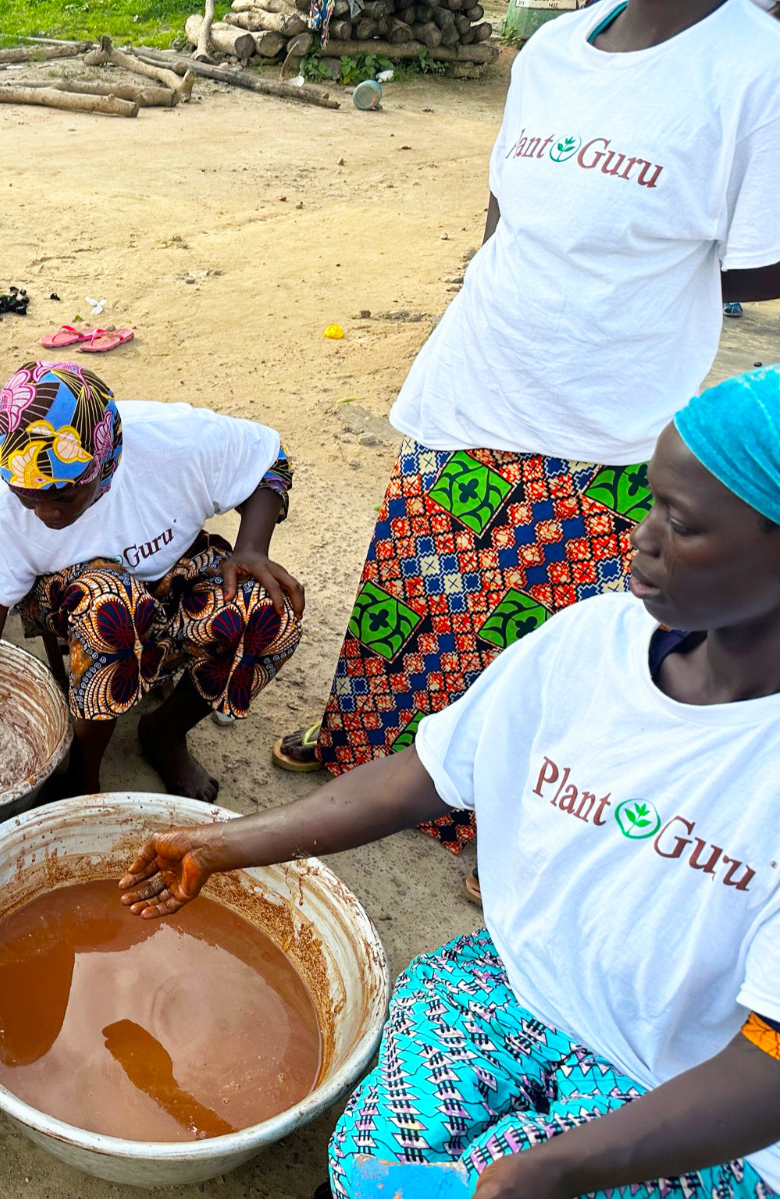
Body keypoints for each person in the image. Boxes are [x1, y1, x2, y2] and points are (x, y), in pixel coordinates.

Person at [122, 368, 780, 1198]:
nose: (640, 538)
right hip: (511, 987)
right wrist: (220, 846)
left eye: (680, 523)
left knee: (486, 1181)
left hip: (678, 1091)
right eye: (650, 503)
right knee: (368, 1168)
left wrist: (560, 1165)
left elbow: (769, 1066)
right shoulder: (589, 643)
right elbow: (424, 775)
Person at [272, 0, 780, 862]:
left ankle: (500, 826)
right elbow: (504, 207)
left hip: (602, 416)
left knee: (540, 638)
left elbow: (757, 264)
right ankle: (361, 747)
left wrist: (630, 275)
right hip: (478, 374)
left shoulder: (756, 65)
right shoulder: (552, 47)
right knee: (411, 596)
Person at [0, 362, 303, 811]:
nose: (46, 513)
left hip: (173, 571)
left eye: (63, 497)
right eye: (29, 498)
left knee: (270, 612)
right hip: (79, 600)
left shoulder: (173, 443)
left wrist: (252, 549)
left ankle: (165, 733)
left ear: (106, 464)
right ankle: (83, 770)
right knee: (112, 608)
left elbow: (268, 456)